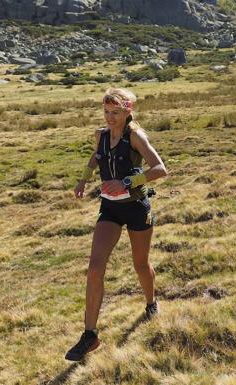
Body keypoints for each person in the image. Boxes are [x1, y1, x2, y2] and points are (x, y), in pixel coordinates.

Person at [65, 88, 168, 361]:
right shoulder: (100, 135)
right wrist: (84, 179)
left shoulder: (136, 136)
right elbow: (96, 157)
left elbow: (160, 169)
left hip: (136, 208)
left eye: (116, 113)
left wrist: (125, 182)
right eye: (106, 112)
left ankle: (150, 303)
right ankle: (89, 335)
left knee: (140, 264)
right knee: (95, 268)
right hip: (109, 207)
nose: (110, 118)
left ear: (127, 111)